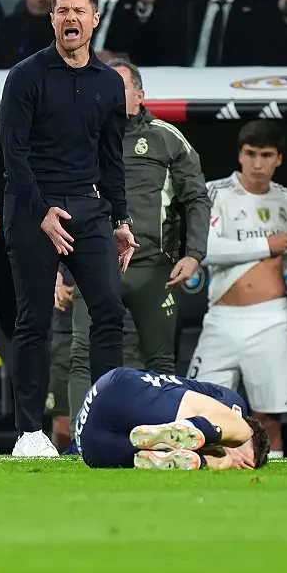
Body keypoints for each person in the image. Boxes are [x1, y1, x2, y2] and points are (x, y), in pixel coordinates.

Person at [0, 0, 136, 459]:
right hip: (32, 207)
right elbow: (13, 156)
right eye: (63, 11)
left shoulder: (109, 83)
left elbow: (111, 158)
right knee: (34, 319)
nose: (71, 18)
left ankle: (103, 425)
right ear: (52, 20)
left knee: (109, 312)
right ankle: (29, 432)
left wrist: (120, 220)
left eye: (80, 10)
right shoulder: (25, 76)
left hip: (88, 206)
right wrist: (41, 213)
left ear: (95, 19)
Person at [62, 57, 210, 419]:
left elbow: (197, 197)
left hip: (152, 269)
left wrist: (194, 254)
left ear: (140, 96)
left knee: (160, 361)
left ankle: (164, 438)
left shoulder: (165, 137)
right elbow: (59, 204)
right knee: (82, 356)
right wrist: (57, 268)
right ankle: (84, 441)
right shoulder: (79, 137)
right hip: (95, 266)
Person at [188, 120, 287, 458]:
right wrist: (266, 245)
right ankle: (208, 477)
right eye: (250, 154)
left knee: (269, 417)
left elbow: (285, 260)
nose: (257, 163)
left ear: (279, 159)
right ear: (239, 155)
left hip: (271, 319)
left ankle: (270, 481)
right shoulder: (216, 193)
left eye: (266, 155)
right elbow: (204, 249)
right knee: (203, 408)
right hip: (222, 319)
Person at [75, 367, 270, 470]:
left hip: (93, 448)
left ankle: (184, 455)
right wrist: (229, 452)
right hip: (121, 392)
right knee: (236, 434)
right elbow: (235, 424)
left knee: (216, 458)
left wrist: (226, 459)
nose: (240, 461)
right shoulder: (235, 405)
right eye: (244, 456)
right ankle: (192, 428)